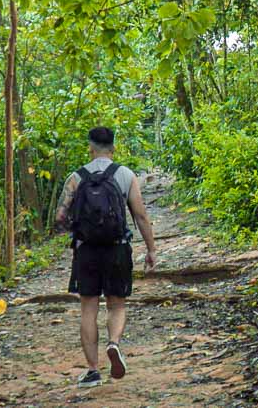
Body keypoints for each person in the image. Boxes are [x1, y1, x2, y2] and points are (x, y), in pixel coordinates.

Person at [54, 126, 157, 388]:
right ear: (113, 148)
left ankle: (92, 371)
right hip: (117, 248)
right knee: (117, 304)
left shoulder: (76, 177)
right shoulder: (125, 175)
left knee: (88, 308)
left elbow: (60, 218)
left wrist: (79, 231)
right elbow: (140, 215)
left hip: (86, 250)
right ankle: (114, 344)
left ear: (90, 147)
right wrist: (151, 249)